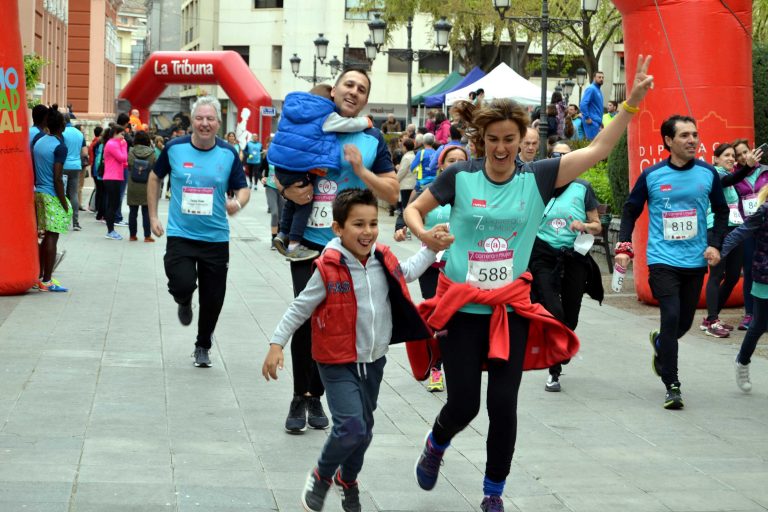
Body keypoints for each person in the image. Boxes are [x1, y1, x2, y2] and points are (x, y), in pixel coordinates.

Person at [403, 55, 653, 512]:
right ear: (482, 140)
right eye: (493, 140)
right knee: (464, 406)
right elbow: (413, 209)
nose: (501, 148)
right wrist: (425, 234)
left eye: (509, 140)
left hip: (509, 309)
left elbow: (599, 149)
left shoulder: (538, 178)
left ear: (522, 141)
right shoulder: (460, 176)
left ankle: (493, 492)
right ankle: (436, 443)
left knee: (503, 404)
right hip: (461, 308)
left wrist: (630, 104)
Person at [262, 188, 436, 512]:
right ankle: (322, 476)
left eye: (373, 223)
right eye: (358, 224)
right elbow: (300, 307)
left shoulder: (383, 258)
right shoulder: (327, 266)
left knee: (363, 431)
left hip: (373, 360)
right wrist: (276, 343)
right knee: (351, 427)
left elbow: (408, 271)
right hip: (336, 361)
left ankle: (348, 480)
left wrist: (431, 248)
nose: (367, 231)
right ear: (338, 228)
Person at [274, 68, 398, 435]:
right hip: (309, 242)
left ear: (366, 99)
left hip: (350, 246)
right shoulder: (311, 122)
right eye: (348, 84)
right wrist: (286, 190)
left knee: (336, 320)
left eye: (361, 89)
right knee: (307, 315)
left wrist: (361, 170)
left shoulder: (372, 137)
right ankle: (300, 396)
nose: (354, 91)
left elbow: (392, 193)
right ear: (334, 91)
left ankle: (317, 393)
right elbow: (279, 164)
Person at [616, 115, 728, 410]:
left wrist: (715, 244)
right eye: (685, 135)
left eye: (695, 135)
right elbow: (630, 210)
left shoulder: (707, 173)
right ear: (668, 140)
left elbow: (721, 210)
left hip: (694, 261)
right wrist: (624, 246)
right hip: (662, 259)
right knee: (670, 315)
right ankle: (672, 385)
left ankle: (661, 343)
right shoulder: (652, 175)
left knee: (683, 323)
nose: (692, 140)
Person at [147, 95, 251, 368]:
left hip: (215, 238)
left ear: (218, 122)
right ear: (192, 120)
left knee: (213, 298)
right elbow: (155, 177)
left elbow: (243, 188)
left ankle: (203, 345)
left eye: (210, 119)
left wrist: (237, 203)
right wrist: (153, 216)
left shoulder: (228, 153)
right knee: (181, 283)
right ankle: (184, 299)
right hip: (181, 234)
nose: (205, 123)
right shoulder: (174, 148)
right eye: (199, 118)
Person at [529, 141, 604, 392]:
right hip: (542, 255)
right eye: (556, 156)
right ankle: (554, 370)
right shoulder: (538, 185)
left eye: (566, 156)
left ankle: (563, 344)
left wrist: (584, 226)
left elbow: (597, 225)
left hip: (574, 256)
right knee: (554, 311)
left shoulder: (583, 188)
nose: (561, 160)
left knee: (570, 316)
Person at [268, 84, 372, 262]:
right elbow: (348, 124)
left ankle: (282, 233)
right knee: (304, 204)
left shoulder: (290, 111)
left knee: (292, 201)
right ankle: (294, 245)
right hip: (299, 169)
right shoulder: (325, 115)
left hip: (281, 166)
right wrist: (366, 122)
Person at [396, 144, 469, 392]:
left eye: (461, 160)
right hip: (432, 265)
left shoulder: (473, 194)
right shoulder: (428, 191)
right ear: (441, 165)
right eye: (451, 160)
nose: (456, 165)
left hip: (461, 267)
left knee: (457, 319)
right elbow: (408, 213)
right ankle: (436, 368)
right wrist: (404, 229)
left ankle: (456, 364)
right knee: (438, 317)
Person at [700, 143, 759, 337]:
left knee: (733, 276)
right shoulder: (715, 174)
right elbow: (730, 179)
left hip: (736, 229)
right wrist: (748, 167)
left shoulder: (730, 177)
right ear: (715, 158)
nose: (732, 159)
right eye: (726, 155)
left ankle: (711, 318)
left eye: (733, 156)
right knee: (716, 275)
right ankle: (712, 321)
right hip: (718, 229)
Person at [721, 184, 768, 393]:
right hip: (765, 275)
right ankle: (742, 361)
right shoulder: (764, 211)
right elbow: (740, 233)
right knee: (758, 325)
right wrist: (719, 253)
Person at [32, 105, 71, 292]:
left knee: (46, 235)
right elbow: (57, 178)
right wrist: (64, 202)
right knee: (52, 236)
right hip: (51, 194)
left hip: (38, 192)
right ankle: (47, 281)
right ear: (62, 126)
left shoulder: (39, 141)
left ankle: (39, 276)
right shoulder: (59, 147)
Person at [732, 139, 768, 330]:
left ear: (752, 151)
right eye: (738, 154)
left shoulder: (766, 171)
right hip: (747, 229)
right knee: (749, 271)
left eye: (745, 152)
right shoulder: (735, 176)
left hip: (766, 227)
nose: (743, 156)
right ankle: (749, 314)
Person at [126, 130, 155, 242]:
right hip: (147, 185)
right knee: (146, 212)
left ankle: (132, 235)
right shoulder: (152, 153)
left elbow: (129, 164)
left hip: (133, 184)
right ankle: (147, 236)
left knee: (133, 212)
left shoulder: (131, 151)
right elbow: (154, 166)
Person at [102, 124, 128, 240]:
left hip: (115, 177)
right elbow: (123, 158)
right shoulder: (112, 144)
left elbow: (123, 161)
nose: (123, 137)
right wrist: (124, 146)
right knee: (113, 205)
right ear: (115, 133)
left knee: (114, 204)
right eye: (121, 134)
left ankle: (111, 230)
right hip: (112, 178)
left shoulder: (114, 144)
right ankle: (110, 230)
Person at [61, 113, 86, 231]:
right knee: (74, 194)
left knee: (62, 193)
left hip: (63, 166)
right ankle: (75, 223)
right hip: (76, 166)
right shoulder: (79, 134)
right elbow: (85, 152)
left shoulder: (61, 133)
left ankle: (63, 221)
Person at [260, 137, 286, 249]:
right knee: (274, 213)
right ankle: (273, 238)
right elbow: (260, 170)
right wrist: (262, 178)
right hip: (270, 187)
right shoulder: (267, 157)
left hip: (283, 189)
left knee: (282, 216)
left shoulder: (285, 158)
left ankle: (279, 239)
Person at [395, 138, 417, 233]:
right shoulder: (415, 156)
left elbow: (402, 171)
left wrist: (395, 181)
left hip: (406, 184)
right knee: (411, 207)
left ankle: (406, 227)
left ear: (405, 147)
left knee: (405, 207)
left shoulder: (406, 157)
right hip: (414, 184)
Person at [579, 71, 605, 140]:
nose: (601, 79)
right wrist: (587, 118)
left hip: (596, 121)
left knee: (596, 143)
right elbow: (583, 104)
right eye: (599, 77)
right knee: (593, 143)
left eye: (602, 77)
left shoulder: (598, 90)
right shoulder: (591, 89)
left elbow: (597, 107)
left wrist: (600, 121)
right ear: (594, 78)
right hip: (591, 121)